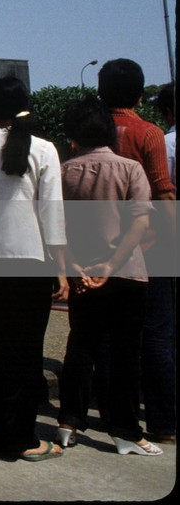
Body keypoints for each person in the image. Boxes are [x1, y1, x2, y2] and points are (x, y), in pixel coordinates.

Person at [0, 76, 67, 460]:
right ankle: (23, 437)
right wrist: (62, 267)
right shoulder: (45, 149)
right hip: (31, 262)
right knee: (26, 353)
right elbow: (52, 212)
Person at [55, 96, 162, 456]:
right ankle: (125, 430)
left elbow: (57, 229)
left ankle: (69, 420)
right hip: (126, 272)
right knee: (125, 354)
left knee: (82, 347)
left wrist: (76, 267)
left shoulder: (64, 173)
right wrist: (112, 265)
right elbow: (140, 224)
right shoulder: (130, 169)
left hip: (82, 273)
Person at [98, 59, 176, 446]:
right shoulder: (150, 133)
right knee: (156, 337)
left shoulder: (92, 135)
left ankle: (114, 415)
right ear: (140, 95)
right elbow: (164, 194)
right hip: (152, 247)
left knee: (110, 337)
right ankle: (163, 421)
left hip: (101, 245)